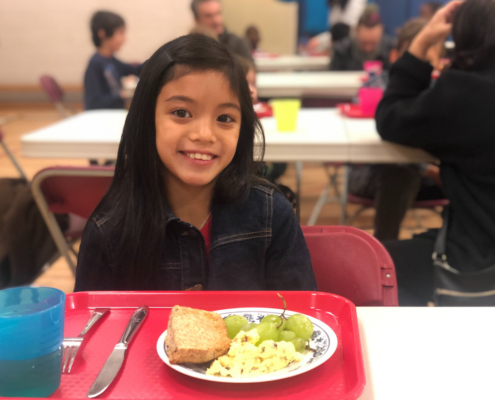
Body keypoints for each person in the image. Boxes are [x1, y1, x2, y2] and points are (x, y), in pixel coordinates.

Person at [74, 35, 317, 292]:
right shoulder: (109, 231)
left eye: (225, 117)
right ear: (147, 118)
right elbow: (92, 327)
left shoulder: (271, 215)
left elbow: (300, 319)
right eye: (181, 113)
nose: (204, 134)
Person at [376, 0, 495, 305]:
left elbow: (390, 117)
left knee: (375, 265)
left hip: (475, 258)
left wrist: (421, 42)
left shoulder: (465, 92)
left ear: (464, 33)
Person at [348, 18, 445, 242]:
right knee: (398, 173)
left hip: (429, 178)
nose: (421, 68)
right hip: (372, 173)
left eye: (429, 60)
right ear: (394, 57)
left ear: (439, 62)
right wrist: (429, 170)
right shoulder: (375, 88)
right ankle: (385, 255)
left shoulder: (442, 94)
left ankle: (455, 254)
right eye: (416, 59)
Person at [84, 11, 142, 110]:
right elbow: (94, 103)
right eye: (120, 33)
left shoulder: (112, 60)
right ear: (102, 33)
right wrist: (123, 95)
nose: (124, 39)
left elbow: (134, 70)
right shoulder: (95, 64)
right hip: (104, 118)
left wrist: (156, 61)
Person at [330, 7, 395, 71]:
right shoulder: (341, 51)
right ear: (356, 32)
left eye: (373, 43)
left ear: (381, 33)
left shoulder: (391, 49)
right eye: (364, 43)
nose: (368, 48)